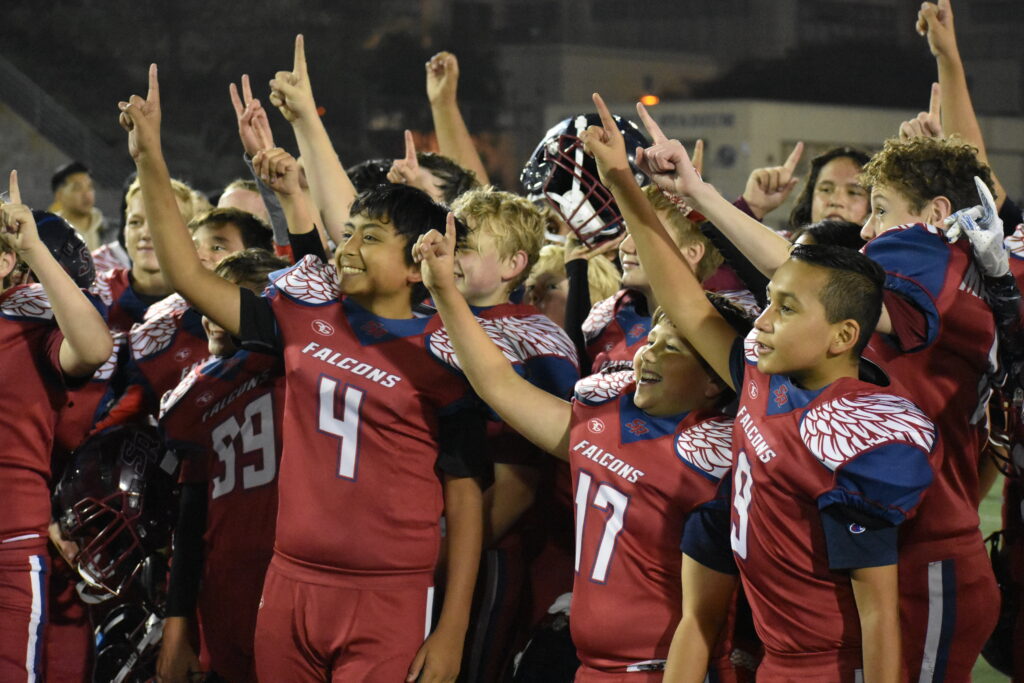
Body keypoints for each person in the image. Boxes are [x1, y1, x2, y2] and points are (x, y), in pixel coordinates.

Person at [118, 63, 486, 682]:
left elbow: (468, 499)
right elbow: (188, 274)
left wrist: (451, 630)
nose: (347, 248)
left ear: (417, 263)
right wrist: (150, 158)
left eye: (370, 237)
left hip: (388, 593)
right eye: (348, 233)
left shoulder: (450, 350)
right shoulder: (301, 309)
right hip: (289, 583)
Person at [583, 93, 938, 681]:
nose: (764, 322)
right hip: (774, 661)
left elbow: (878, 614)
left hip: (829, 667)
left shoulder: (863, 431)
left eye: (787, 309)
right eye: (769, 302)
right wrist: (624, 185)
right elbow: (684, 300)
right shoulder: (760, 380)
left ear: (842, 335)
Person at [415, 211, 752, 679]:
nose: (647, 354)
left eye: (672, 348)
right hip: (590, 666)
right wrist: (444, 293)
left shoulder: (721, 458)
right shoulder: (603, 419)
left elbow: (707, 617)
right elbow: (498, 383)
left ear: (717, 381)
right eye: (650, 340)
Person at [0, 170, 113, 681]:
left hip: (5, 543)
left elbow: (93, 348)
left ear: (6, 261)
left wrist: (36, 254)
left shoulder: (28, 321)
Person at [157, 249, 289, 683]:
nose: (209, 316)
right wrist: (178, 621)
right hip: (223, 590)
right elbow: (191, 517)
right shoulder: (203, 391)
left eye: (224, 303)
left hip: (291, 586)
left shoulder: (302, 370)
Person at [91, 176, 209, 332]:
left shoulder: (207, 304)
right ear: (124, 232)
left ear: (189, 234)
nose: (146, 233)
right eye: (135, 222)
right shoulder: (95, 294)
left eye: (160, 222)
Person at [51, 161, 111, 251]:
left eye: (90, 187)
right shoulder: (50, 233)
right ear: (59, 195)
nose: (87, 194)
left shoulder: (111, 229)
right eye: (77, 188)